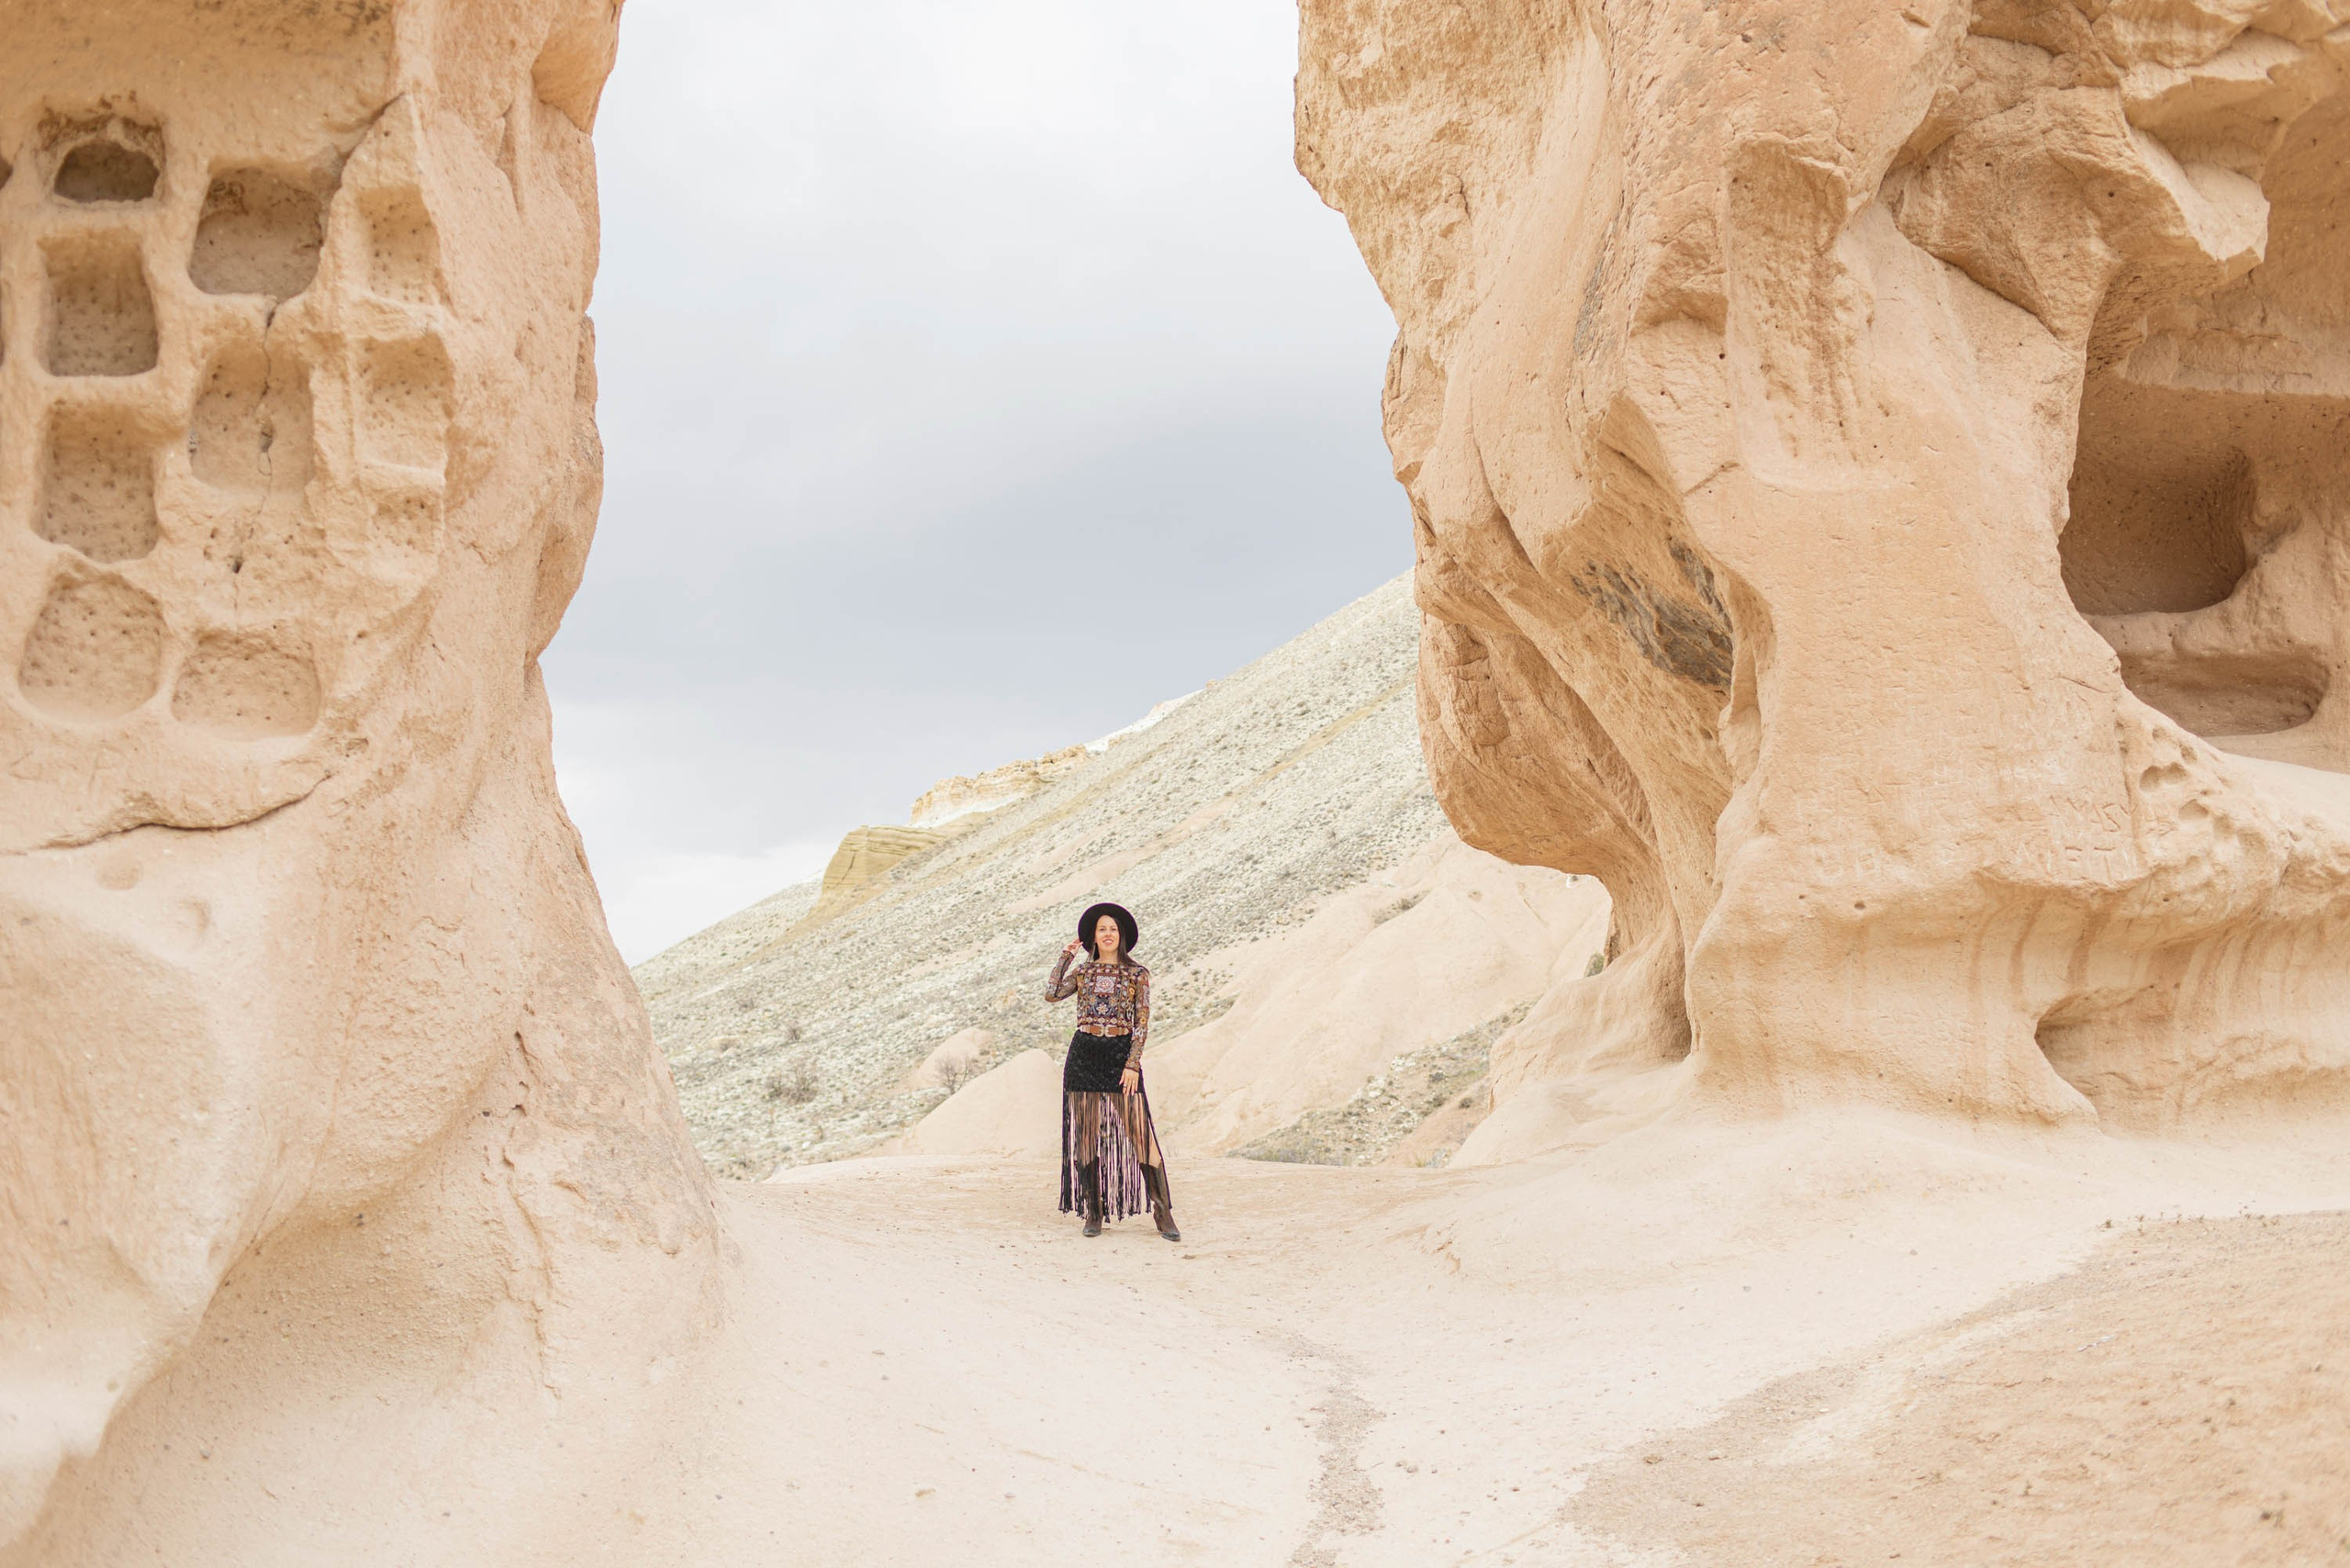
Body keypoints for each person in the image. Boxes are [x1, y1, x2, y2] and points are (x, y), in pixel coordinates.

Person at [1045, 902, 1180, 1240]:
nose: (1107, 934)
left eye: (1113, 929)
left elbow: (1142, 1023)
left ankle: (1163, 1213)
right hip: (1084, 1053)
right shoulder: (1083, 973)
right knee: (1086, 1136)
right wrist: (1065, 956)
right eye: (1102, 928)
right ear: (1093, 935)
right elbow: (1051, 994)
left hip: (1121, 1055)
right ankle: (1094, 1210)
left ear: (1122, 936)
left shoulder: (1137, 974)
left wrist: (1132, 1063)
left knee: (1141, 1135)